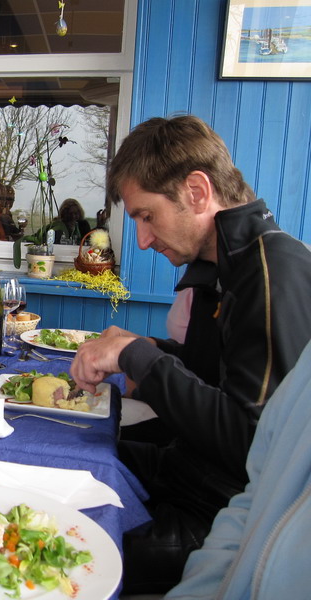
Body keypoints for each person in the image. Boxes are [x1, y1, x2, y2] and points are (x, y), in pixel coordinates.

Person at [69, 115, 311, 593]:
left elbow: (253, 445)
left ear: (197, 191)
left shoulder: (275, 272)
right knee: (59, 453)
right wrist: (150, 348)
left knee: (50, 545)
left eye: (146, 216)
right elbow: (209, 377)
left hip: (218, 517)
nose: (142, 240)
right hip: (181, 472)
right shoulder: (219, 263)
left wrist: (141, 357)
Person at [166, 340, 311, 599]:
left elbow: (241, 439)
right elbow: (254, 494)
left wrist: (143, 362)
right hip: (191, 480)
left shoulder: (272, 312)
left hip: (205, 500)